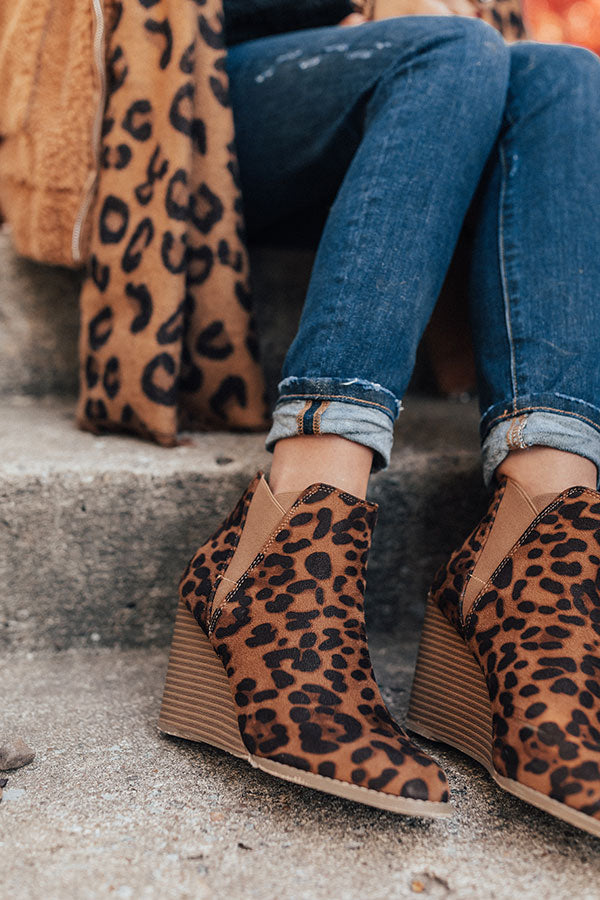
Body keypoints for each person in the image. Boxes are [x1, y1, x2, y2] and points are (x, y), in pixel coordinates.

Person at [158, 1, 600, 835]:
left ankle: (535, 566)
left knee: (565, 73)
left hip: (419, 112)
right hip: (192, 84)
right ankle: (290, 532)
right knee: (453, 48)